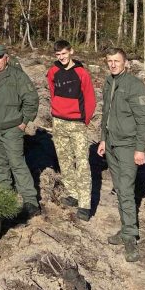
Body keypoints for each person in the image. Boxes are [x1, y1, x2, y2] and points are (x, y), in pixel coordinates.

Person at [97, 48, 145, 263]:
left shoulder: (134, 86)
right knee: (120, 188)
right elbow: (106, 114)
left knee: (126, 190)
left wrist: (140, 148)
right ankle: (125, 228)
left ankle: (130, 236)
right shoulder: (109, 82)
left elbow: (144, 121)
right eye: (109, 61)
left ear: (125, 63)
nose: (113, 64)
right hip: (111, 144)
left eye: (116, 61)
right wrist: (102, 138)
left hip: (128, 146)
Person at [0, 44, 41, 217]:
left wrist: (24, 122)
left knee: (17, 163)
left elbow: (31, 99)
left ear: (6, 58)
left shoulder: (17, 76)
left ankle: (30, 201)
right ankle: (6, 195)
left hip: (12, 128)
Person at [47, 39, 96, 221]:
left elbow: (90, 99)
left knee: (82, 163)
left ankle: (84, 204)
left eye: (64, 54)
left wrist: (84, 120)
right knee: (65, 159)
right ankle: (73, 193)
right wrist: (57, 110)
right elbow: (52, 91)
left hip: (77, 123)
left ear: (71, 52)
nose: (61, 58)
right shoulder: (53, 71)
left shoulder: (81, 73)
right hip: (58, 122)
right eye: (58, 55)